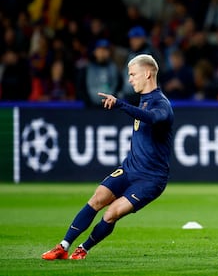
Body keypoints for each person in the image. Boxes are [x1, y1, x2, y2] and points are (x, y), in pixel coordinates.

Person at [41, 54, 174, 260]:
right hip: (130, 168)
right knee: (97, 198)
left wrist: (121, 105)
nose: (129, 79)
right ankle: (63, 246)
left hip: (151, 179)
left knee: (111, 213)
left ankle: (83, 249)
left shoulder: (161, 102)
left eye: (132, 74)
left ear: (147, 73)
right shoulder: (144, 100)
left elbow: (154, 118)